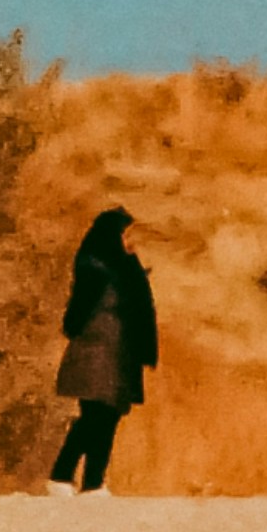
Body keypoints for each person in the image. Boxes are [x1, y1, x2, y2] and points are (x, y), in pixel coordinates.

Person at [53, 206, 154, 491]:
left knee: (107, 418)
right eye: (126, 234)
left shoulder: (120, 267)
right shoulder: (97, 267)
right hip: (96, 352)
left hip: (117, 353)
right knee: (95, 417)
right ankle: (61, 476)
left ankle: (93, 483)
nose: (132, 241)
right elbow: (77, 313)